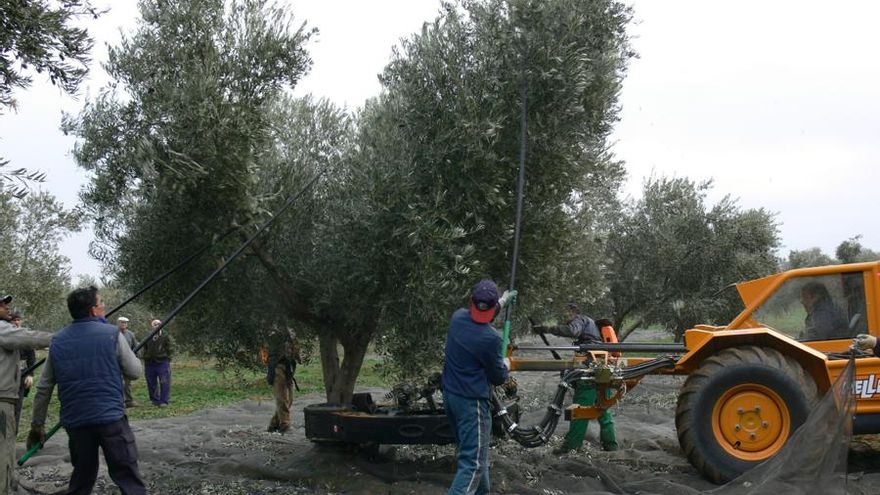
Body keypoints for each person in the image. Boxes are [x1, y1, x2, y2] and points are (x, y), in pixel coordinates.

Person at [27, 286, 146, 494]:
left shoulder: (58, 341)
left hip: (76, 422)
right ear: (93, 310)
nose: (104, 307)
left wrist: (37, 425)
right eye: (102, 303)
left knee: (82, 478)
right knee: (127, 476)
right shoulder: (112, 334)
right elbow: (134, 372)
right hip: (111, 419)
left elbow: (44, 388)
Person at [441, 279, 514, 495]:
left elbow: (485, 312)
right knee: (472, 464)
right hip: (472, 404)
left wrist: (502, 301)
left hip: (451, 397)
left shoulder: (457, 318)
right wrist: (506, 364)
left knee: (474, 455)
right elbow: (498, 377)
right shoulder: (490, 339)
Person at [533, 303, 618, 452]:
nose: (564, 318)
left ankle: (571, 447)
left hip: (590, 371)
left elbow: (573, 331)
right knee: (603, 407)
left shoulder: (580, 320)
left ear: (573, 311)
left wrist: (548, 329)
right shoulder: (591, 325)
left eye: (565, 313)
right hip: (602, 367)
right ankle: (611, 445)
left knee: (580, 409)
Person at [0, 295, 53, 493]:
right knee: (3, 451)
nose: (7, 307)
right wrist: (63, 337)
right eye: (2, 304)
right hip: (1, 399)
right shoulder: (1, 328)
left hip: (6, 395)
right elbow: (28, 337)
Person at [263, 327, 302, 433]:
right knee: (282, 398)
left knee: (289, 400)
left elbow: (296, 352)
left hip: (288, 370)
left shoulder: (291, 334)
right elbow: (266, 355)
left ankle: (274, 423)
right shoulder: (273, 336)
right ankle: (285, 424)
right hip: (278, 369)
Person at [12, 310, 37, 432]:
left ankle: (13, 437)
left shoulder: (25, 336)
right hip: (5, 378)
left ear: (21, 321)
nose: (16, 322)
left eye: (18, 320)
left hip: (21, 377)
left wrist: (30, 374)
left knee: (17, 407)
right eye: (14, 320)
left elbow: (31, 357)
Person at [142, 318, 174, 407]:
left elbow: (170, 348)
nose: (157, 325)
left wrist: (167, 358)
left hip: (162, 362)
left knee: (164, 381)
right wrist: (145, 357)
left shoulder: (165, 336)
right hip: (149, 363)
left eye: (158, 324)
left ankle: (164, 401)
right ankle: (154, 400)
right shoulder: (148, 336)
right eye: (155, 324)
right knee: (151, 382)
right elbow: (144, 348)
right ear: (152, 326)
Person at [117, 316, 140, 408]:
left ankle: (129, 400)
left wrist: (136, 358)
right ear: (118, 323)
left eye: (125, 323)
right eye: (122, 322)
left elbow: (135, 346)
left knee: (127, 382)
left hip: (127, 361)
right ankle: (120, 401)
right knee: (118, 382)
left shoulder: (130, 334)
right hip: (117, 362)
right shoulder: (115, 334)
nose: (124, 324)